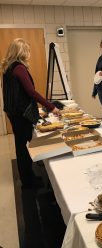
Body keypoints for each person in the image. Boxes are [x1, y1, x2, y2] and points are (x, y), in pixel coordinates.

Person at [0, 38, 60, 188]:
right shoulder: (19, 68)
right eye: (27, 50)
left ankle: (27, 176)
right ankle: (28, 180)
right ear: (21, 51)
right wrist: (51, 106)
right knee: (23, 147)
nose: (29, 53)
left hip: (13, 112)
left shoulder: (8, 67)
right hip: (21, 114)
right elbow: (31, 92)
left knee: (20, 145)